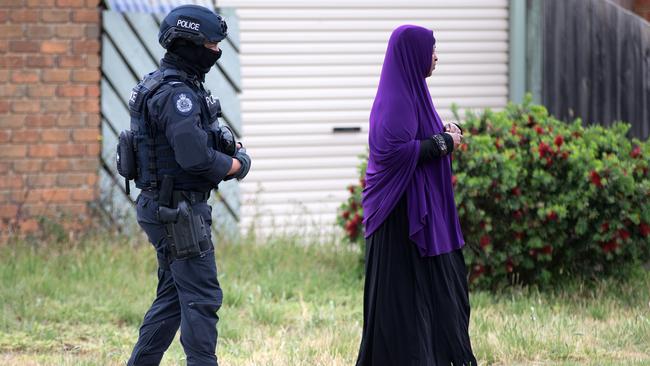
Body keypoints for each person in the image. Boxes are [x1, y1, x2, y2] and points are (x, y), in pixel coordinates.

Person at [120, 5, 251, 366]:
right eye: (210, 44)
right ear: (188, 43)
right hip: (178, 211)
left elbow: (184, 143)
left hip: (164, 205)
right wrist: (237, 165)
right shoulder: (177, 94)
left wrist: (224, 145)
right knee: (201, 297)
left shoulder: (162, 83)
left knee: (173, 297)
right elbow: (194, 158)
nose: (216, 51)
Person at [355, 25, 477, 366]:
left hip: (417, 215)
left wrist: (442, 134)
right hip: (400, 220)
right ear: (412, 54)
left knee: (440, 296)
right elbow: (393, 152)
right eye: (431, 49)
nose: (436, 56)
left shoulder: (413, 93)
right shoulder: (395, 100)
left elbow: (417, 138)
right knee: (405, 305)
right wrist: (443, 143)